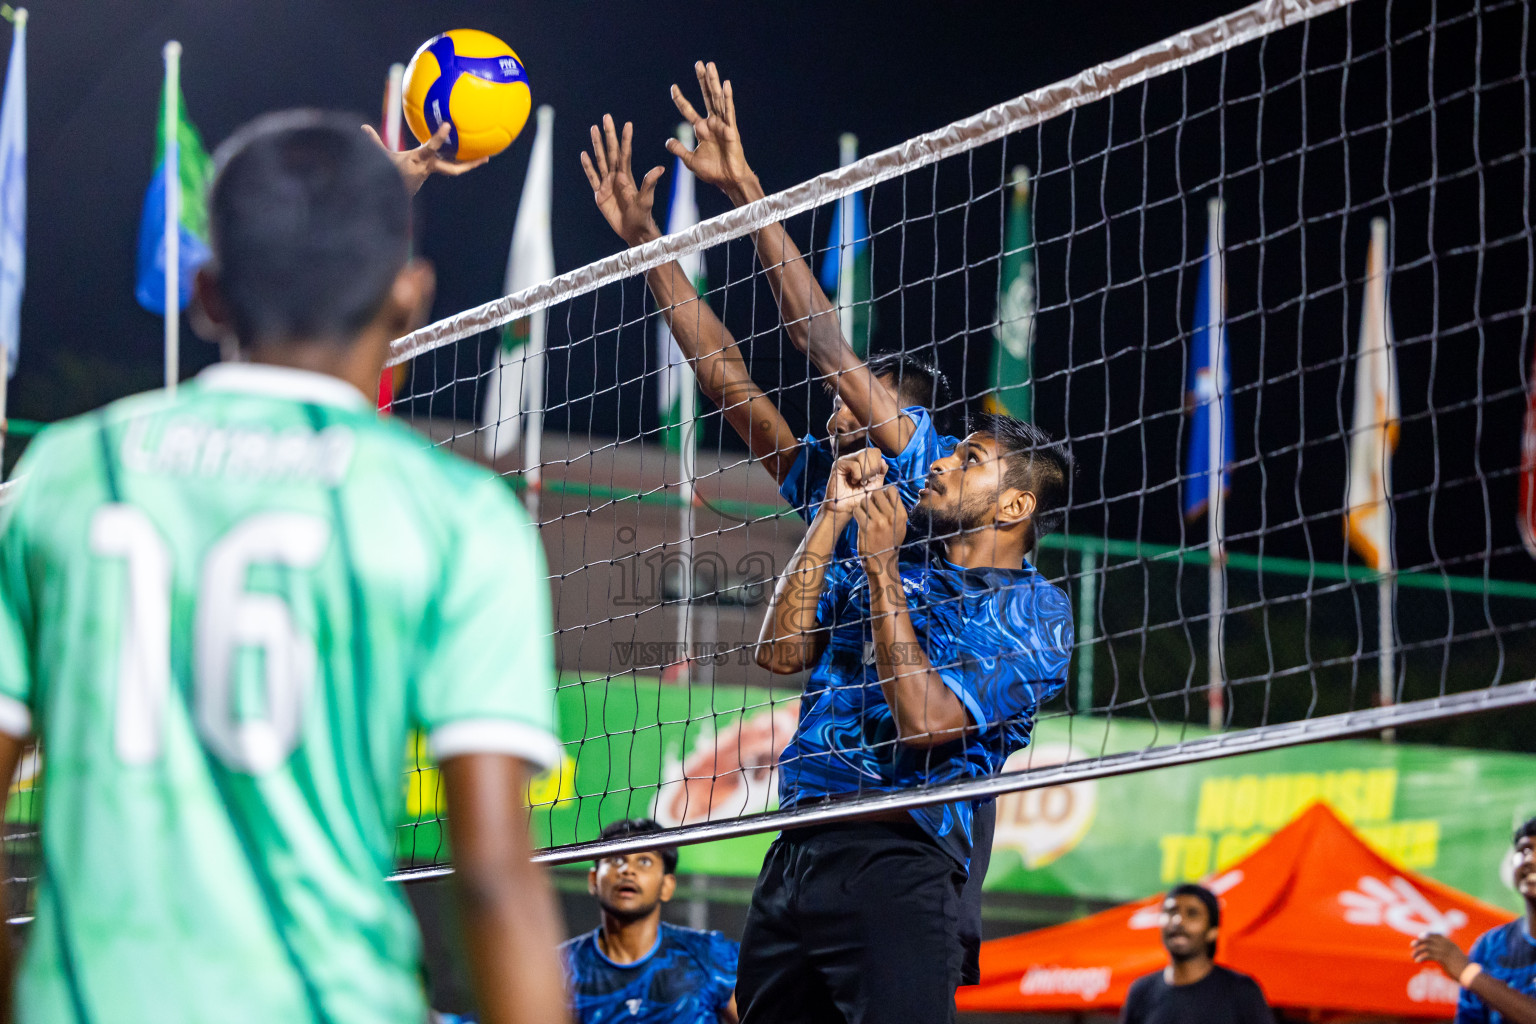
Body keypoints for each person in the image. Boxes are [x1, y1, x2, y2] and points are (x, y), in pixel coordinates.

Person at [0, 111, 569, 1024]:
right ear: (410, 296)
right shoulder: (458, 517)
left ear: (207, 295)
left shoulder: (69, 473)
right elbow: (496, 882)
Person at [580, 65, 997, 984]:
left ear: (900, 420)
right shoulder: (833, 490)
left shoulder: (934, 486)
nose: (834, 413)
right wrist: (649, 244)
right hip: (813, 825)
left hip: (912, 832)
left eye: (857, 405)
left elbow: (821, 343)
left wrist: (744, 191)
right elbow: (727, 379)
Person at [741, 412, 1074, 1023]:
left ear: (1014, 506)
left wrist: (879, 569)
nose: (943, 463)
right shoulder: (902, 564)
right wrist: (832, 513)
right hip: (796, 848)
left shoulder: (1034, 609)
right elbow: (778, 651)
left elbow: (925, 721)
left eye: (971, 459)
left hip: (900, 855)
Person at [561, 819, 739, 1024]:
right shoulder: (558, 968)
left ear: (667, 885)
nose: (628, 870)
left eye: (644, 861)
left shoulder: (712, 955)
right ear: (593, 880)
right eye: (617, 859)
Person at [1413, 817, 1536, 1024]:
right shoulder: (1490, 946)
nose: (1530, 860)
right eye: (1524, 851)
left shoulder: (1467, 966)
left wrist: (1469, 974)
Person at [1120, 884, 1273, 1024]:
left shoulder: (1242, 991)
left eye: (1192, 914)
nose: (1178, 921)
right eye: (1171, 912)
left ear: (1213, 931)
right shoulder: (1141, 992)